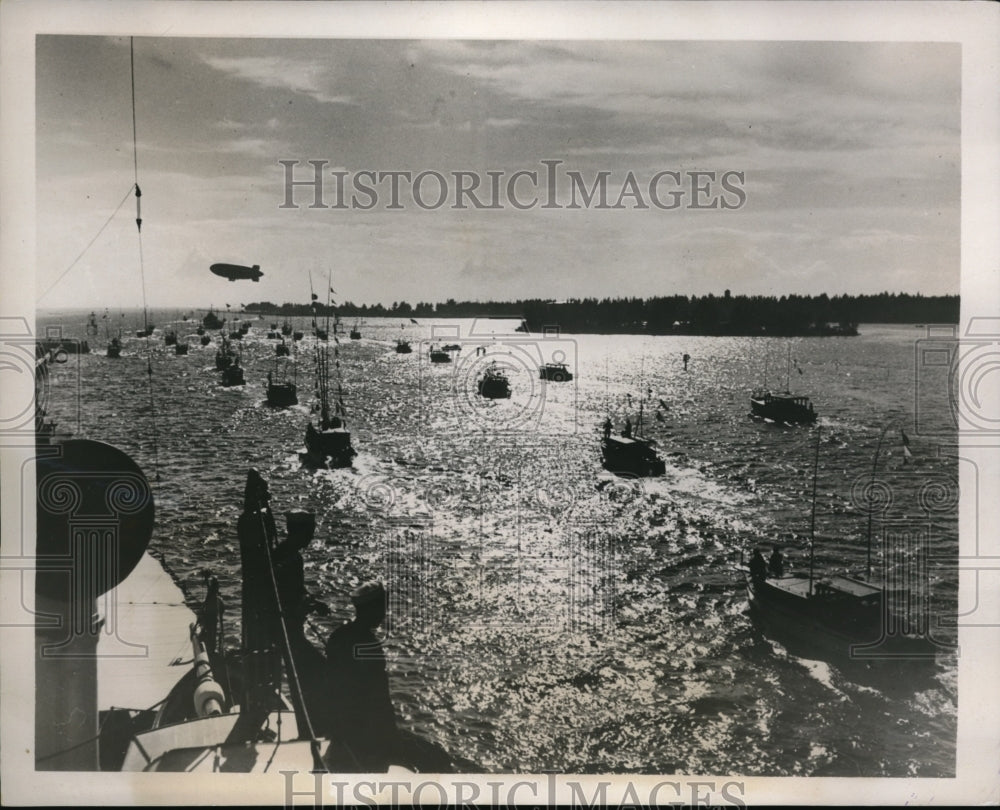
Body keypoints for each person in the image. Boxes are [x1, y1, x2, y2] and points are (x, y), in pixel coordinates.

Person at [324, 581, 400, 770]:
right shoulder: (368, 645)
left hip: (341, 724)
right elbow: (378, 692)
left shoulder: (339, 635)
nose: (383, 614)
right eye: (382, 608)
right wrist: (389, 730)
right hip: (364, 728)